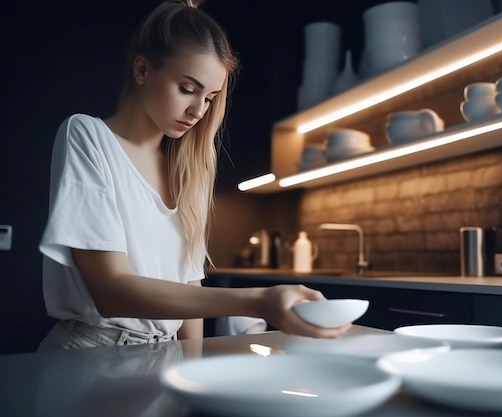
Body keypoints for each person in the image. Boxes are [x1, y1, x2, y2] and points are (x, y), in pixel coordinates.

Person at [38, 0, 350, 350]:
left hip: (161, 354)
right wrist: (259, 301)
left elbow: (189, 290)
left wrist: (188, 376)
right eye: (188, 89)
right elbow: (112, 290)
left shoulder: (190, 169)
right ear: (142, 71)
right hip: (90, 353)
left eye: (210, 98)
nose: (198, 110)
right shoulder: (87, 136)